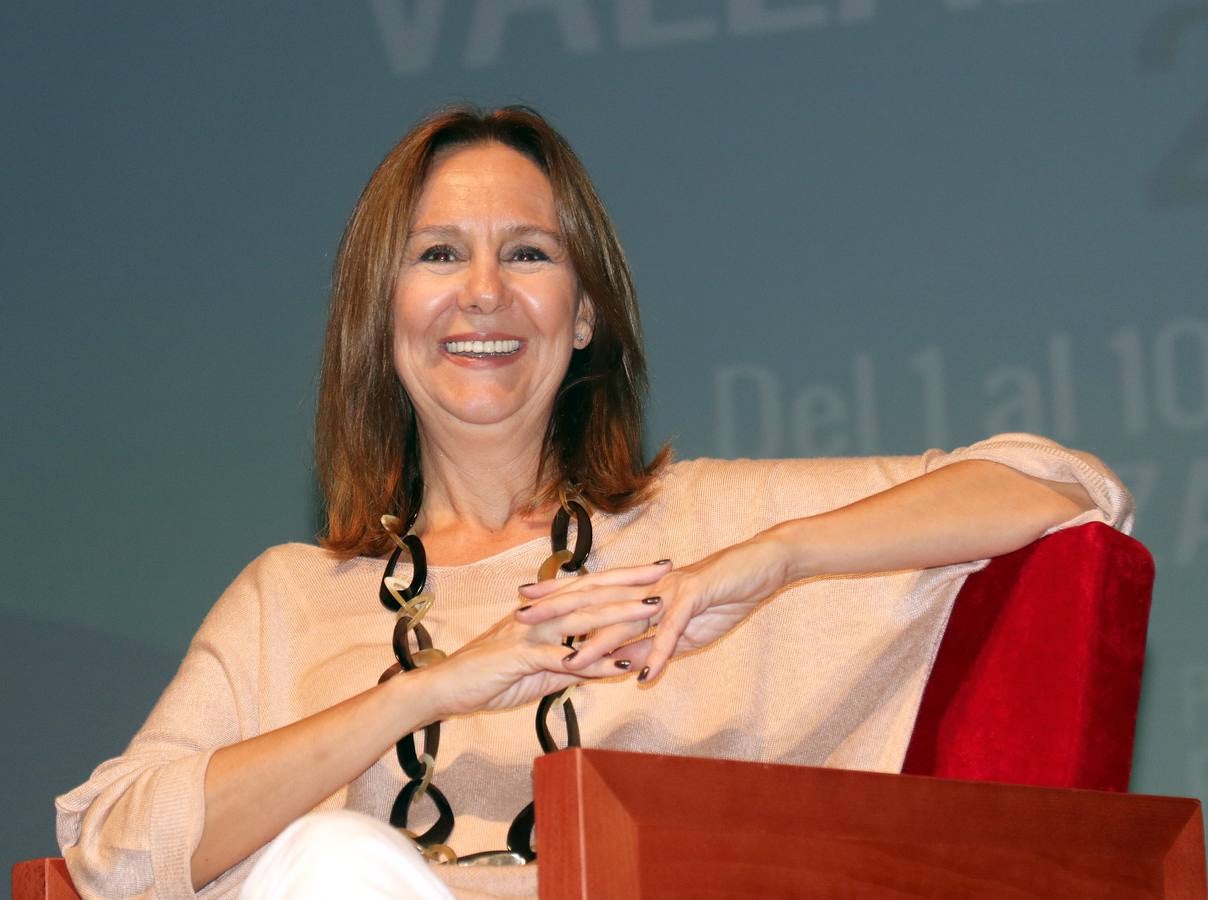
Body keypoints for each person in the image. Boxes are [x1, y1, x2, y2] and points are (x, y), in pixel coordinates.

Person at [55, 106, 1133, 899]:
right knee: (332, 862)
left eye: (528, 254)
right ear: (381, 320)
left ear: (581, 320)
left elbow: (1061, 486)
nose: (483, 291)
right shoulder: (286, 599)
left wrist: (763, 564)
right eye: (438, 256)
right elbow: (110, 847)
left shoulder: (699, 531)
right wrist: (418, 695)